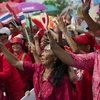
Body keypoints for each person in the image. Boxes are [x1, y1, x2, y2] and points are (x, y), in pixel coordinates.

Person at [0, 41, 74, 100]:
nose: (42, 54)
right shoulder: (38, 69)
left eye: (46, 51)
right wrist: (2, 47)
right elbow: (15, 62)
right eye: (43, 51)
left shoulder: (62, 80)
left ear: (55, 58)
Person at [0, 27, 24, 100]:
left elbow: (7, 74)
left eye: (1, 34)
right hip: (6, 88)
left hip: (15, 88)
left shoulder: (5, 56)